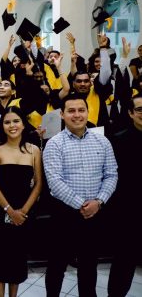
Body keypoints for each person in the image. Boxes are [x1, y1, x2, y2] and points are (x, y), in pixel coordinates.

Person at [42, 94, 118, 297]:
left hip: (94, 213)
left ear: (87, 112)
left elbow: (111, 174)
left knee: (89, 265)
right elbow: (54, 181)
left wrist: (98, 202)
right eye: (71, 111)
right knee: (57, 265)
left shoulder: (102, 141)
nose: (77, 115)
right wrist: (83, 205)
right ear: (62, 114)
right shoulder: (54, 143)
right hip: (64, 214)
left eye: (81, 110)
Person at [0, 107, 43, 297]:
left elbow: (38, 184)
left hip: (24, 213)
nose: (12, 125)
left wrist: (23, 212)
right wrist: (10, 211)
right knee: (0, 257)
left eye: (16, 121)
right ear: (2, 126)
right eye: (7, 122)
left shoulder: (34, 150)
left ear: (23, 124)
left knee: (17, 258)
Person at [107, 94, 142, 297]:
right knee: (124, 263)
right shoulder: (119, 140)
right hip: (129, 212)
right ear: (130, 113)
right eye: (139, 110)